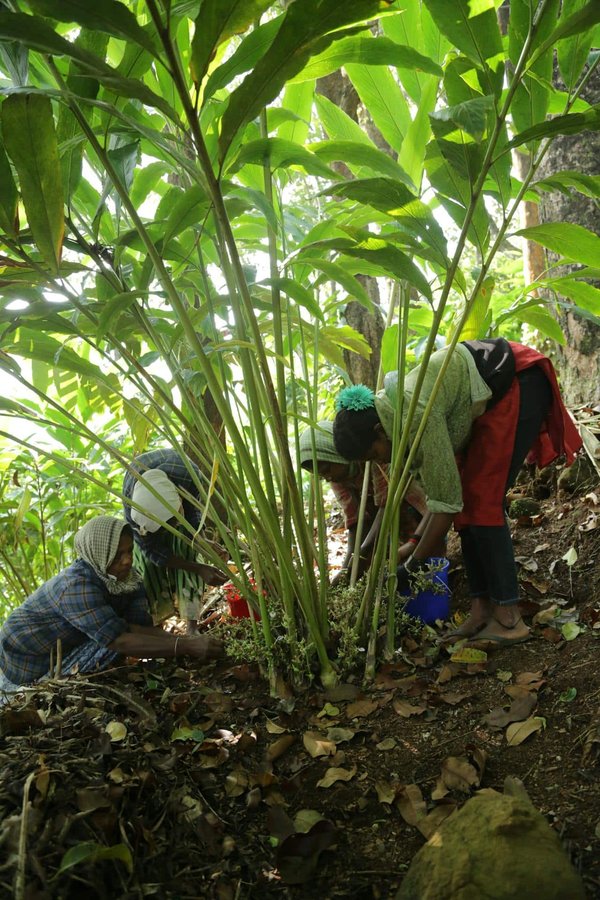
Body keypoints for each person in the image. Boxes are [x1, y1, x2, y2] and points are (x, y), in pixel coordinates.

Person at [332, 338, 582, 646]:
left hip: (516, 380)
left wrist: (410, 567)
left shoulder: (415, 416)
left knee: (483, 500)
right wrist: (412, 546)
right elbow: (444, 497)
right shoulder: (395, 419)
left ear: (378, 431)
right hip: (490, 398)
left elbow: (447, 505)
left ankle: (509, 618)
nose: (380, 461)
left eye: (374, 453)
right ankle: (481, 611)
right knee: (470, 506)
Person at [0, 516, 222, 704]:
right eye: (117, 555)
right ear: (97, 554)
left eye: (129, 551)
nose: (127, 561)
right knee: (109, 647)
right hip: (26, 661)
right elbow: (119, 639)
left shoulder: (123, 578)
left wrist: (182, 641)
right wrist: (186, 646)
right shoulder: (75, 587)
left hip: (67, 641)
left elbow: (134, 626)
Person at [299, 421, 430, 584]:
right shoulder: (336, 479)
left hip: (403, 503)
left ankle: (423, 560)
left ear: (335, 455)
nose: (327, 477)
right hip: (379, 514)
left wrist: (363, 551)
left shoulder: (370, 455)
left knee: (419, 557)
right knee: (376, 562)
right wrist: (348, 568)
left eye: (326, 470)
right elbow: (355, 519)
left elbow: (387, 503)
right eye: (321, 476)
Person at [122, 449, 227, 624]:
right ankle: (157, 622)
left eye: (173, 522)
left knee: (188, 549)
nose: (172, 529)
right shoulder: (133, 505)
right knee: (148, 567)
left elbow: (193, 515)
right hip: (151, 522)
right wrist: (198, 568)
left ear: (179, 502)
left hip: (178, 484)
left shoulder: (189, 476)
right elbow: (151, 550)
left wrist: (201, 541)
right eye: (166, 527)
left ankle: (191, 625)